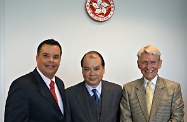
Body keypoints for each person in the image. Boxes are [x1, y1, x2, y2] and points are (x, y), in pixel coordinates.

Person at [5, 39, 66, 122]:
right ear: (37, 58)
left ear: (60, 60)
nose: (51, 60)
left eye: (55, 57)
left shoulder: (60, 83)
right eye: (46, 55)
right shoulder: (21, 86)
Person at [120, 45, 184, 122]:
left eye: (153, 62)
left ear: (159, 64)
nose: (148, 67)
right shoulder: (128, 89)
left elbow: (178, 118)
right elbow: (125, 118)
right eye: (144, 62)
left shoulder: (173, 88)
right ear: (138, 64)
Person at [65, 51, 122, 122]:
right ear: (82, 70)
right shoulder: (69, 95)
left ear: (103, 69)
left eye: (96, 69)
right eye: (87, 69)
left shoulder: (117, 91)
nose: (92, 73)